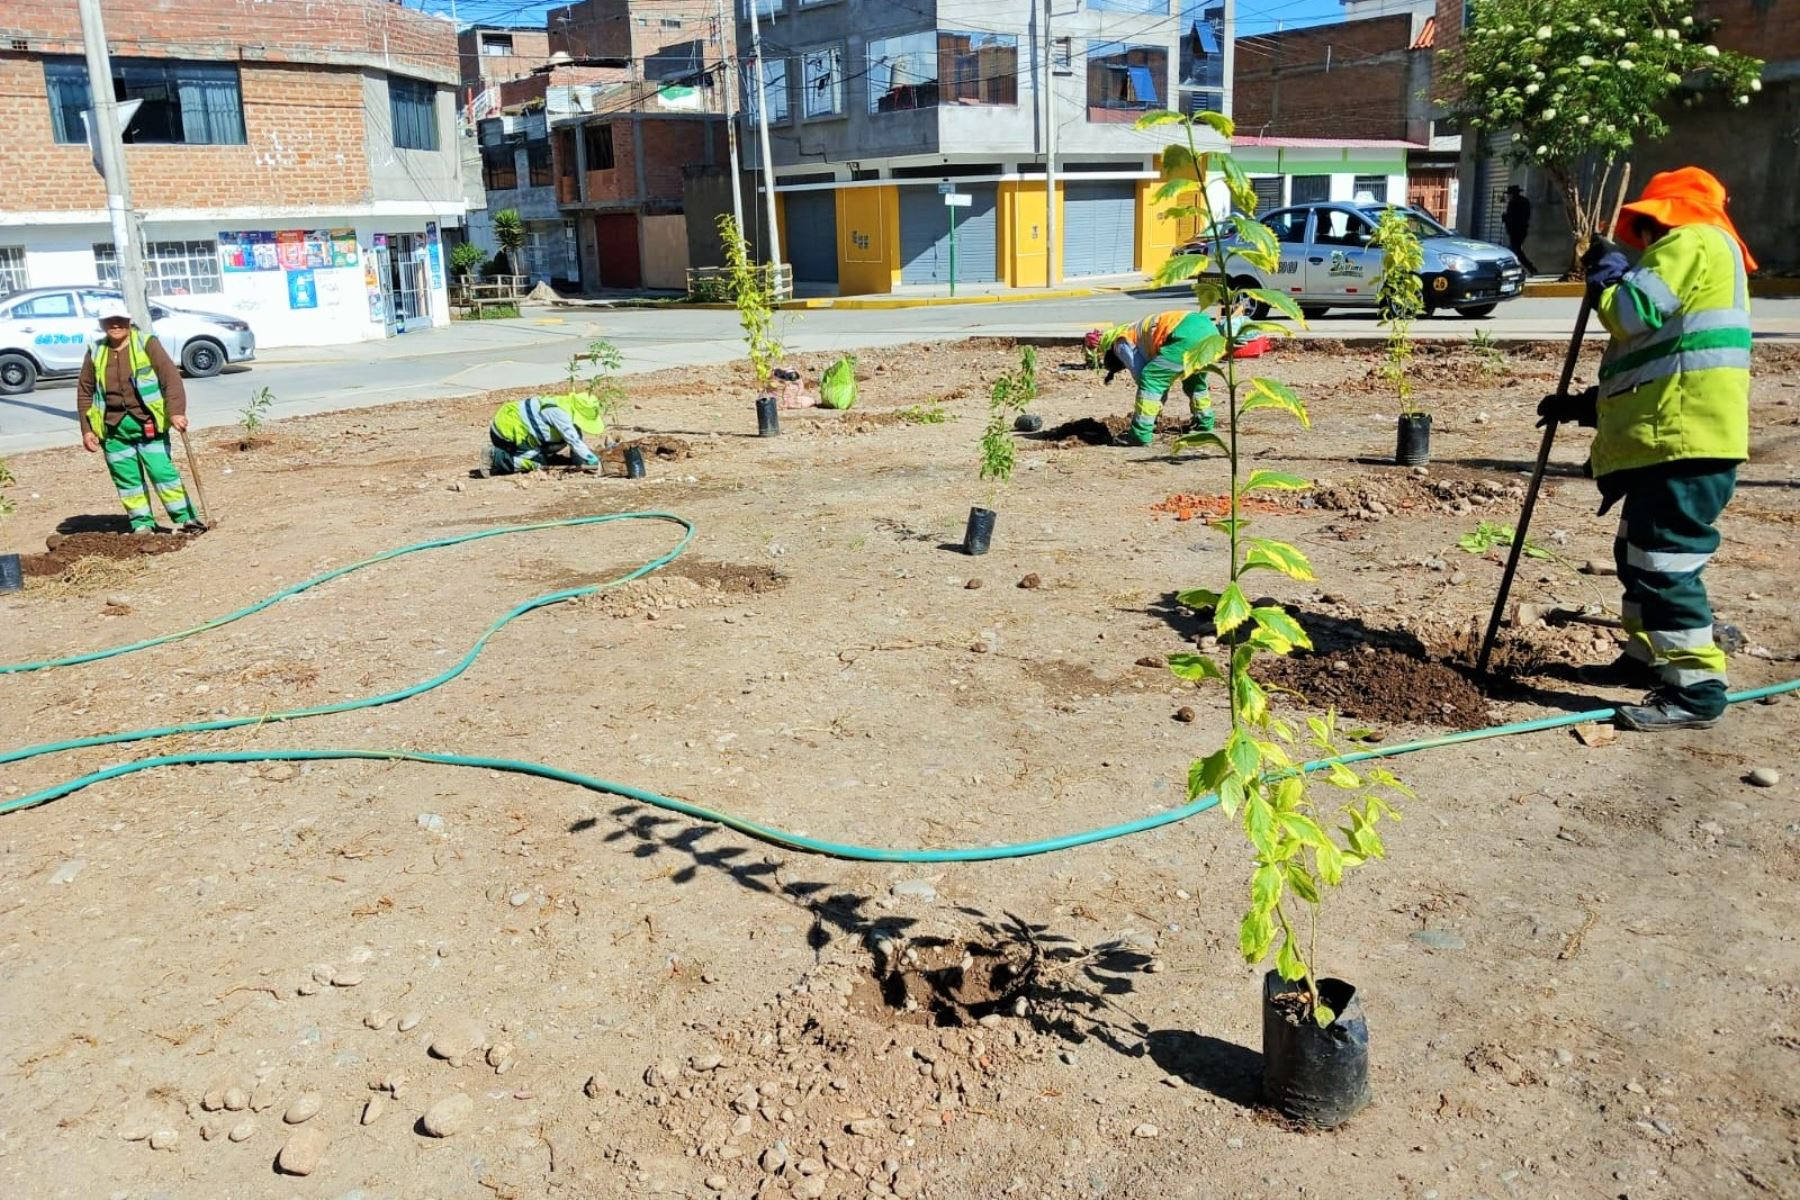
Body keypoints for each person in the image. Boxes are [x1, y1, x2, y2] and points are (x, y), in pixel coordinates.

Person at [1537, 166, 1754, 733]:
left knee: (1664, 567)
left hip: (1684, 445)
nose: (1645, 238)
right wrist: (1588, 405)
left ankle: (1696, 689)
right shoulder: (1702, 253)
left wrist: (1609, 276)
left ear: (1666, 214)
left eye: (1648, 225)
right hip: (1674, 440)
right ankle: (1646, 658)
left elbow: (1632, 314)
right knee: (1638, 557)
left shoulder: (1695, 240)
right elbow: (1662, 364)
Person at [75, 299, 204, 535]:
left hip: (148, 424)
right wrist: (87, 429)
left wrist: (176, 412)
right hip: (113, 429)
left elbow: (170, 378)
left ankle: (187, 518)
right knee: (128, 481)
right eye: (109, 321)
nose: (115, 325)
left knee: (162, 472)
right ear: (102, 324)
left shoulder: (147, 343)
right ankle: (142, 523)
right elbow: (85, 390)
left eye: (120, 320)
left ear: (128, 321)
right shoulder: (95, 351)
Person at [1094, 310, 1220, 447]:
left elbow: (1145, 378)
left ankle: (1140, 434)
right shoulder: (1137, 331)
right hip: (1210, 333)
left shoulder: (1121, 342)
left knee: (1150, 380)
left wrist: (1153, 410)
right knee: (1194, 382)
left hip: (1185, 336)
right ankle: (1205, 422)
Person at [481, 391, 605, 475]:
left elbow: (576, 437)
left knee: (556, 446)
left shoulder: (565, 404)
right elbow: (574, 441)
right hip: (506, 434)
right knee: (538, 464)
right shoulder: (560, 413)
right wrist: (593, 460)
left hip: (511, 426)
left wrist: (580, 460)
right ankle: (495, 457)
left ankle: (535, 455)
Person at [1502, 185, 1538, 275]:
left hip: (1515, 230)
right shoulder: (1525, 201)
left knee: (1516, 250)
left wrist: (1505, 217)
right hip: (1522, 229)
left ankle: (1529, 268)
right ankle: (1526, 268)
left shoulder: (1513, 203)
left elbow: (1512, 217)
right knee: (1516, 250)